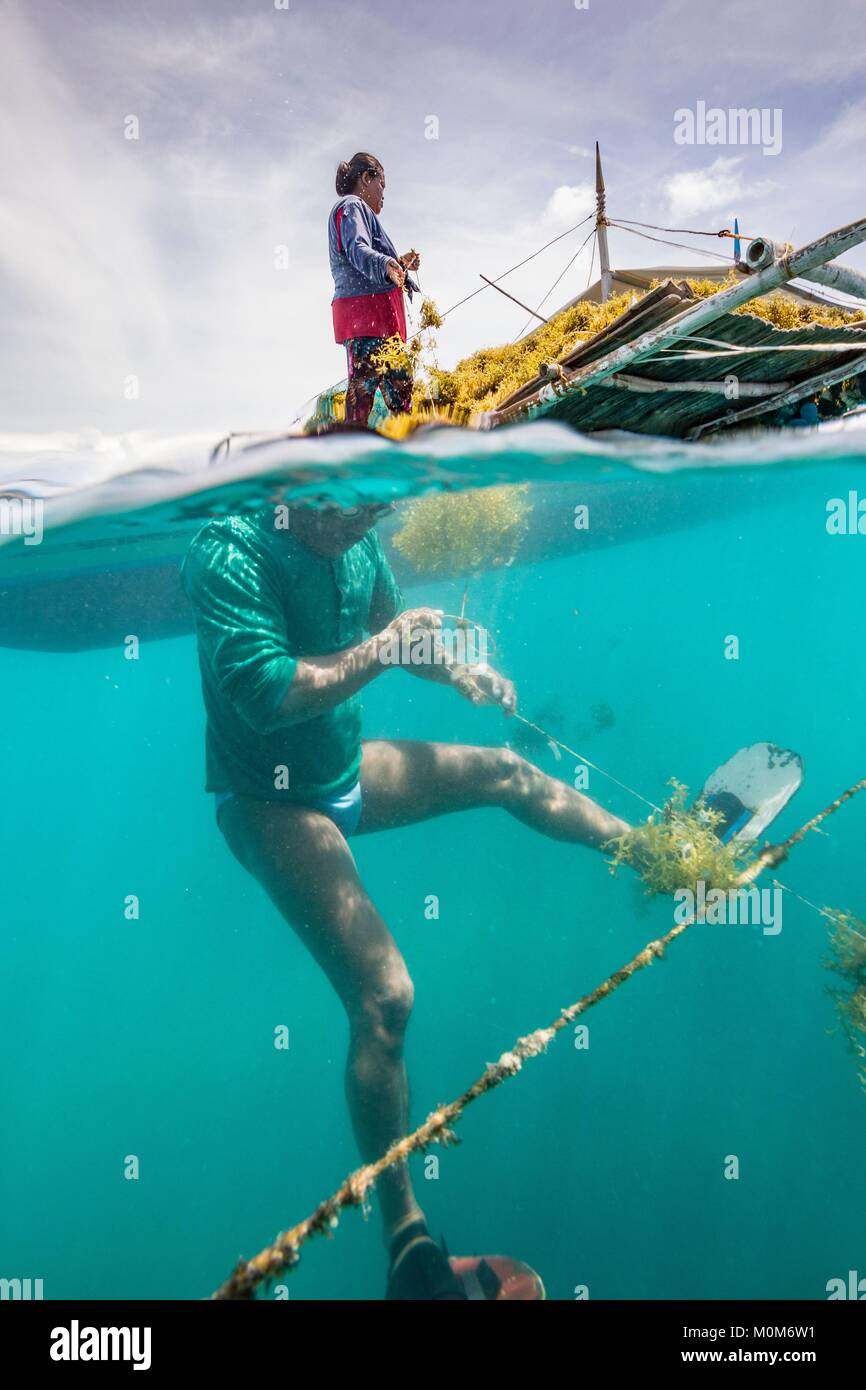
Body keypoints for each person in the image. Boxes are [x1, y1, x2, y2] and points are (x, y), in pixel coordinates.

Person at [182, 499, 630, 1300]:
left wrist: (456, 670)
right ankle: (407, 1243)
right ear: (303, 480)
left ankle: (651, 849)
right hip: (267, 802)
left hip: (342, 771)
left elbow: (397, 636)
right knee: (386, 997)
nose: (363, 525)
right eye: (351, 509)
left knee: (508, 771)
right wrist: (386, 649)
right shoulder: (230, 550)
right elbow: (269, 694)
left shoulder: (355, 545)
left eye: (376, 510)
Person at [328, 152, 420, 427]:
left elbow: (374, 259)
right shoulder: (352, 205)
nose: (383, 194)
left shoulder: (362, 213)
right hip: (365, 320)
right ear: (366, 178)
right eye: (382, 184)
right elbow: (357, 249)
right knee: (363, 394)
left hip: (383, 324)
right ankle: (351, 451)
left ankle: (405, 451)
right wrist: (387, 265)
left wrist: (401, 267)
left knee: (402, 394)